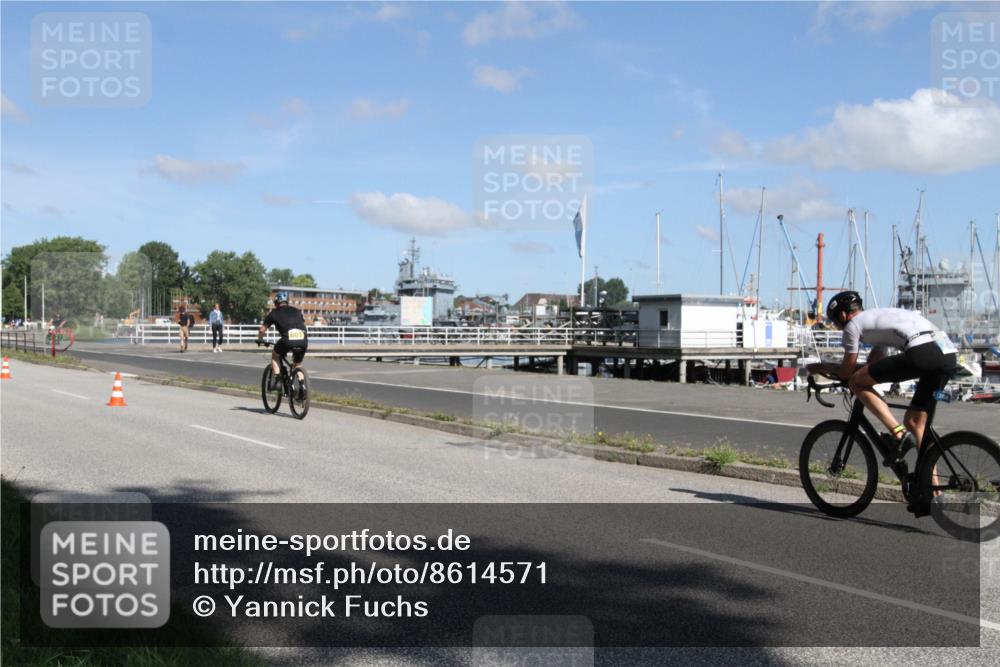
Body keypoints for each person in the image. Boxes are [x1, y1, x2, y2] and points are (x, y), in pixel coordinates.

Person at [809, 291, 958, 513]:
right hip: (946, 352)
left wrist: (821, 367)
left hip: (921, 351)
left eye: (836, 322)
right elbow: (871, 367)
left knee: (857, 385)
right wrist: (849, 373)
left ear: (842, 314)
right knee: (917, 423)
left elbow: (848, 373)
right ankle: (933, 492)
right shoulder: (878, 321)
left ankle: (898, 435)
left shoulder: (853, 326)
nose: (838, 328)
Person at [257, 292, 308, 385]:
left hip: (288, 340)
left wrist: (260, 339)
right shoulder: (297, 311)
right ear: (287, 301)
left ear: (276, 303)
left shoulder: (274, 313)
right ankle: (302, 388)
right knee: (297, 364)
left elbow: (262, 330)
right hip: (303, 339)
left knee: (275, 355)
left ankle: (277, 380)